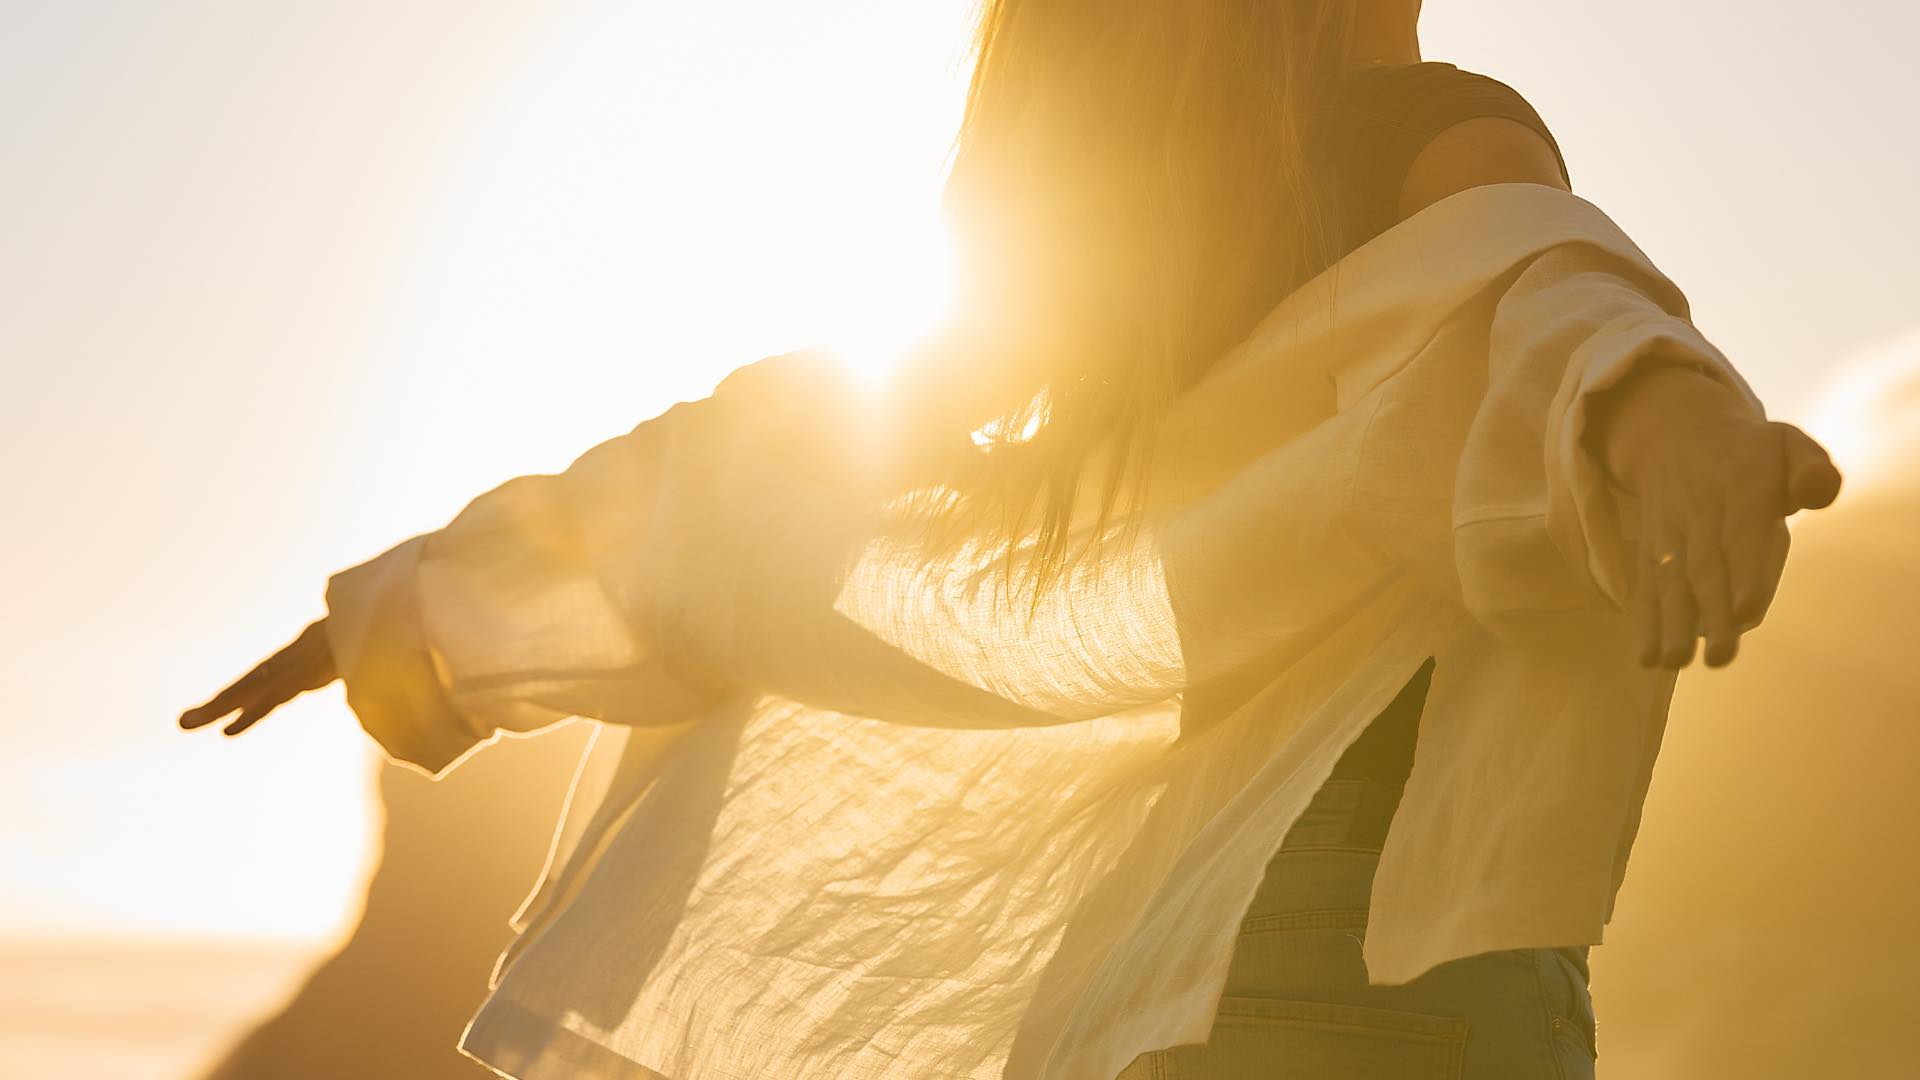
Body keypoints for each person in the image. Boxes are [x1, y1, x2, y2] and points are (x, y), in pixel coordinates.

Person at [181, 1, 1842, 1077]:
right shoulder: (1423, 128)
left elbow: (737, 488)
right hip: (1391, 991)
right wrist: (1658, 402)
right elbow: (1539, 275)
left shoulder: (1070, 293)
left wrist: (422, 605)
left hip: (1149, 1004)